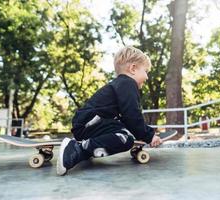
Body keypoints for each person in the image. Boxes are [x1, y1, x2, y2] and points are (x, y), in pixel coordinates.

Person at [57, 46, 162, 176]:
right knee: (125, 139)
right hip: (90, 123)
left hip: (89, 124)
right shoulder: (128, 84)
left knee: (124, 131)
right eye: (146, 71)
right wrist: (149, 135)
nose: (147, 77)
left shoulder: (120, 84)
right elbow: (132, 115)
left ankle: (86, 145)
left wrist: (141, 132)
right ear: (133, 69)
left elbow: (126, 119)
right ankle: (76, 150)